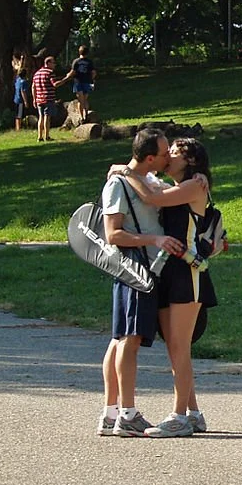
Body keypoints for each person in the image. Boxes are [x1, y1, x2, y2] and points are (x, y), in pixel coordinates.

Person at [117, 136, 219, 437]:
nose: (168, 157)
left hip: (187, 273)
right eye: (167, 152)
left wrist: (127, 174)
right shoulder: (175, 186)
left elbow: (152, 199)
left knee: (179, 346)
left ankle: (178, 417)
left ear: (191, 161)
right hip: (166, 270)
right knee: (175, 348)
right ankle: (194, 414)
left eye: (174, 153)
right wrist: (135, 175)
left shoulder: (194, 185)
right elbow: (154, 190)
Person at [97, 128, 185, 438]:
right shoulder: (118, 185)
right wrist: (155, 239)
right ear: (150, 157)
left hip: (147, 268)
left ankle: (110, 414)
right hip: (135, 267)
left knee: (121, 339)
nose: (168, 158)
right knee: (129, 339)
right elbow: (113, 234)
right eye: (164, 154)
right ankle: (128, 414)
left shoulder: (146, 180)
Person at [64, 45, 96, 125]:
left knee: (81, 100)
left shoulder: (76, 61)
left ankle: (83, 116)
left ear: (79, 52)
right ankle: (83, 116)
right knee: (84, 99)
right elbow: (93, 73)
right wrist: (91, 79)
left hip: (79, 82)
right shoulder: (89, 62)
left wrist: (67, 76)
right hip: (85, 82)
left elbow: (73, 72)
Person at [31, 53, 58, 142]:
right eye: (54, 63)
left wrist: (34, 99)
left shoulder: (37, 73)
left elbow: (33, 87)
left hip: (39, 99)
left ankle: (39, 136)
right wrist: (66, 79)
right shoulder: (50, 73)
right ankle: (47, 136)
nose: (55, 65)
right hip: (48, 98)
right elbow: (55, 84)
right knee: (47, 116)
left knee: (40, 117)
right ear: (48, 63)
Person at [11, 51, 29, 132]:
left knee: (17, 114)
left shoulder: (17, 79)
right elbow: (23, 92)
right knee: (19, 115)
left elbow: (19, 71)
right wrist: (26, 101)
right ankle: (18, 128)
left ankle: (17, 127)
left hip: (15, 99)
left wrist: (22, 60)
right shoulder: (23, 82)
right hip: (20, 100)